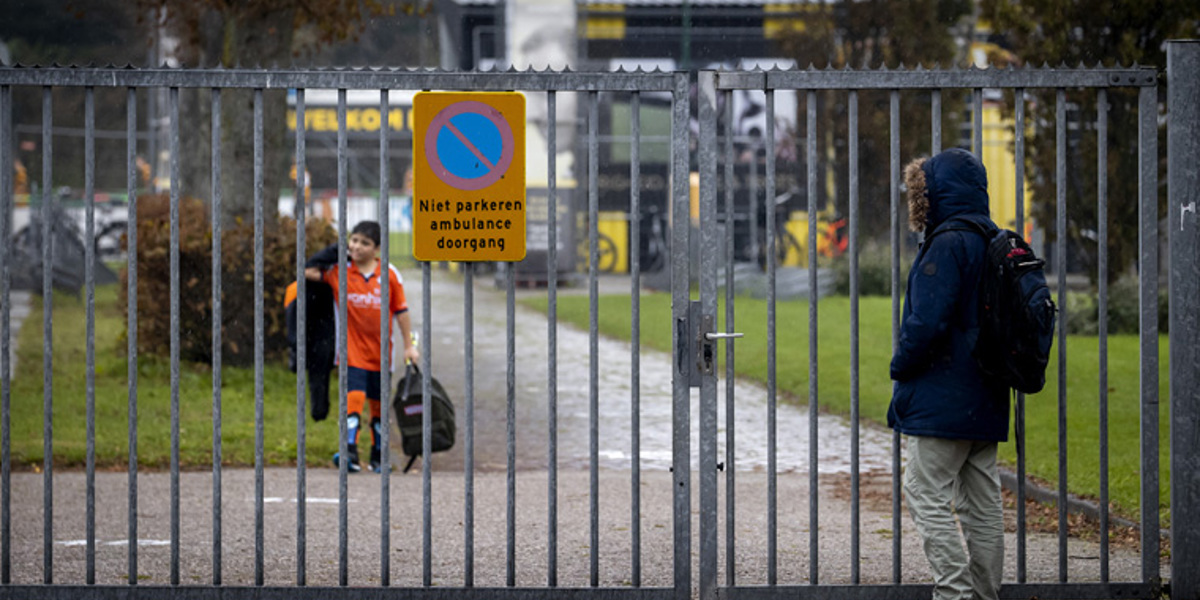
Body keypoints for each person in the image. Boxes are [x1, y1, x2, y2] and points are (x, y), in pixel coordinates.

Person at [888, 148, 1009, 600]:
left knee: (925, 492)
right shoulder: (994, 240)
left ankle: (954, 593)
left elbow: (927, 322)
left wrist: (901, 365)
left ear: (934, 194)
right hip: (989, 393)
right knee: (982, 503)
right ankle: (983, 594)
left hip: (943, 396)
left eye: (920, 190)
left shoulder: (946, 243)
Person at [306, 221, 420, 473]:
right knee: (353, 398)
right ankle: (350, 452)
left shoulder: (389, 274)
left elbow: (402, 312)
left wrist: (409, 346)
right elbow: (307, 271)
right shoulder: (340, 271)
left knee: (378, 406)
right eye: (354, 240)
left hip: (381, 355)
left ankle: (378, 456)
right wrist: (336, 250)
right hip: (351, 352)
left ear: (377, 248)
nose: (357, 246)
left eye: (364, 243)